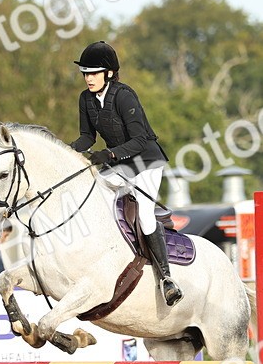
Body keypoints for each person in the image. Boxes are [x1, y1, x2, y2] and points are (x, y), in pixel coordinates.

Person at [69, 40, 182, 306]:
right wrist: (66, 150)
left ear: (108, 73)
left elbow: (141, 139)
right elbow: (87, 137)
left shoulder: (124, 95)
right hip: (120, 162)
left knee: (144, 212)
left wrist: (108, 155)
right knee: (92, 195)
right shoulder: (85, 99)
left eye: (94, 73)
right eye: (85, 73)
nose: (88, 78)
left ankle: (166, 278)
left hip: (146, 161)